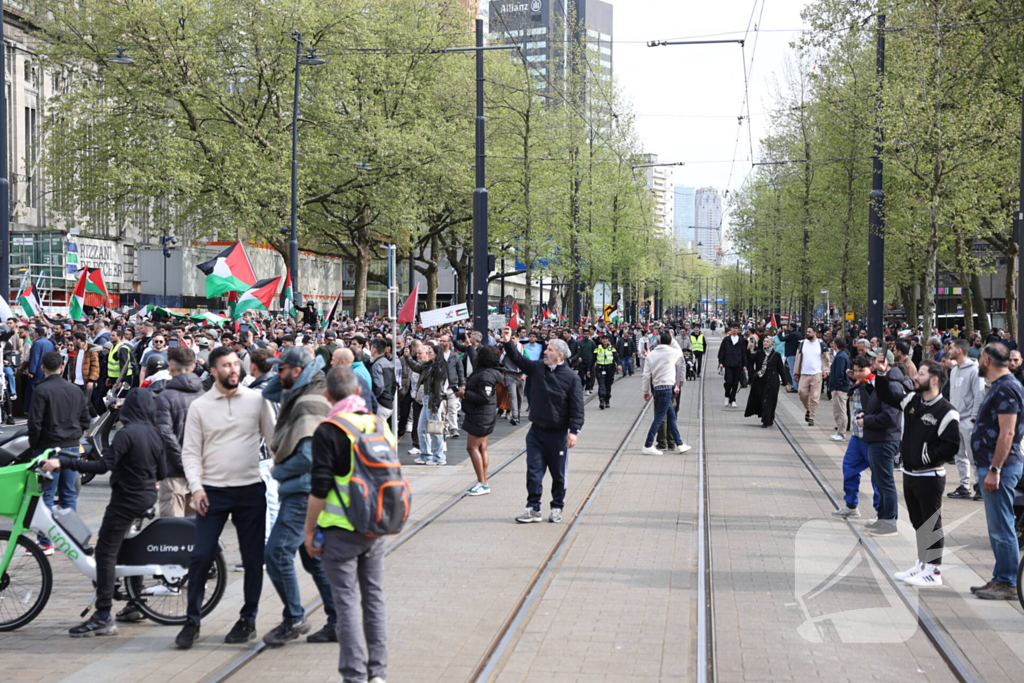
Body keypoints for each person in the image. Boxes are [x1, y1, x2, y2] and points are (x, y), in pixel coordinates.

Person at [176, 346, 276, 649]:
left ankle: (248, 618)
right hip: (212, 492)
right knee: (200, 556)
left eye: (236, 364)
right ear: (214, 370)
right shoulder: (200, 406)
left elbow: (274, 443)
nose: (233, 369)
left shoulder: (258, 401)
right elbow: (190, 452)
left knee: (252, 558)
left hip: (250, 491)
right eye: (226, 365)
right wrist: (196, 486)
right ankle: (191, 621)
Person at [41, 389, 165, 637]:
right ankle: (135, 604)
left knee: (105, 552)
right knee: (130, 550)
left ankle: (103, 615)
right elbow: (161, 473)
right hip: (146, 498)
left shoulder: (126, 434)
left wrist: (63, 461)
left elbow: (100, 466)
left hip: (125, 501)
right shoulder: (154, 433)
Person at [304, 365, 391, 683]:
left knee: (346, 602)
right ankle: (378, 672)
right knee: (374, 596)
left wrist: (309, 529)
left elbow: (320, 487)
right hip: (377, 524)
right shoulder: (379, 424)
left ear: (327, 395)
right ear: (358, 392)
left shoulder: (329, 430)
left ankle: (354, 675)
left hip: (340, 530)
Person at [259, 347, 338, 646]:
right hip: (310, 490)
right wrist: (285, 374)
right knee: (313, 559)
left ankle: (294, 618)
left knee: (276, 553)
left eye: (281, 369)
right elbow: (269, 392)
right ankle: (338, 621)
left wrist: (277, 472)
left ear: (296, 370)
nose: (275, 375)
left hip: (302, 491)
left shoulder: (306, 403)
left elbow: (308, 456)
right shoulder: (308, 389)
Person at [873, 358, 960, 586]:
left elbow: (951, 446)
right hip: (910, 474)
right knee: (918, 522)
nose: (915, 377)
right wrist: (881, 375)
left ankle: (934, 572)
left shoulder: (947, 412)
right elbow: (887, 396)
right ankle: (922, 564)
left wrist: (926, 456)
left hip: (929, 476)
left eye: (920, 374)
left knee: (931, 523)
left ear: (933, 380)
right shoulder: (913, 400)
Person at [499, 327, 584, 524]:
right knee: (534, 471)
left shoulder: (571, 378)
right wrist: (507, 342)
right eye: (546, 350)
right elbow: (519, 360)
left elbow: (578, 408)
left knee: (558, 474)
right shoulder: (537, 368)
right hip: (536, 432)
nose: (545, 352)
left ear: (559, 355)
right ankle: (533, 508)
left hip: (559, 434)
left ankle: (556, 507)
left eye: (550, 350)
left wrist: (573, 432)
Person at [968, 343, 1024, 600]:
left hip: (1000, 466)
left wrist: (994, 469)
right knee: (997, 527)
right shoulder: (1002, 387)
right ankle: (1000, 577)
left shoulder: (1007, 388)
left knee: (1002, 527)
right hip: (994, 465)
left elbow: (1008, 432)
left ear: (987, 360)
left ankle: (1007, 582)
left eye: (980, 358)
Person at [27, 351, 92, 553]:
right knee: (68, 493)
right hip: (71, 446)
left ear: (42, 368)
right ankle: (70, 538)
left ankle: (46, 542)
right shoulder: (74, 390)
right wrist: (75, 435)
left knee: (46, 493)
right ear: (62, 368)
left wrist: (35, 447)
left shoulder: (41, 390)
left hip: (48, 447)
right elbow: (85, 419)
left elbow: (34, 423)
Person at [854, 353, 905, 537]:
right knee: (880, 480)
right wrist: (866, 416)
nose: (872, 363)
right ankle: (883, 518)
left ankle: (890, 522)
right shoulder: (883, 381)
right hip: (878, 438)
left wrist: (866, 421)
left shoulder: (891, 383)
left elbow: (890, 417)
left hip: (884, 439)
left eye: (876, 360)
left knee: (885, 481)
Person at [153, 346, 203, 518]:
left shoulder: (165, 397)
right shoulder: (204, 395)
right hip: (199, 471)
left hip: (174, 472)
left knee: (172, 535)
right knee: (195, 534)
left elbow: (165, 435)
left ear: (171, 367)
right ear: (193, 367)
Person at [832, 355, 881, 520]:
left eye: (862, 370)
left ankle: (881, 512)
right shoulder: (859, 384)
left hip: (873, 438)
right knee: (849, 469)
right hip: (857, 436)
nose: (859, 374)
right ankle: (851, 506)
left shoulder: (877, 385)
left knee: (878, 476)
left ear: (871, 369)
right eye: (856, 371)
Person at [461, 345, 505, 495]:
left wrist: (464, 394)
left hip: (480, 415)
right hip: (486, 414)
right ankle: (483, 481)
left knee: (472, 448)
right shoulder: (491, 372)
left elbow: (484, 397)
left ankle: (482, 483)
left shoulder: (486, 375)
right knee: (482, 448)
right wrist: (468, 345)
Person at [946, 338, 985, 501]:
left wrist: (974, 418)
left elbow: (979, 395)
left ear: (960, 350)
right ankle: (964, 486)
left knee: (973, 455)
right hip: (956, 418)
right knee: (959, 455)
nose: (948, 349)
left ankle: (981, 487)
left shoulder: (975, 371)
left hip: (969, 419)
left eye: (952, 347)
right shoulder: (954, 370)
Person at [641, 332, 691, 455]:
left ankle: (679, 443)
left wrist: (645, 391)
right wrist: (672, 338)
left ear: (658, 342)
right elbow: (680, 351)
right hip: (667, 388)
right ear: (670, 343)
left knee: (671, 415)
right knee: (659, 417)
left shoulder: (651, 355)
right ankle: (648, 445)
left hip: (657, 388)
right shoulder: (673, 353)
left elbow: (646, 375)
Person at [409, 342, 448, 466]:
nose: (428, 353)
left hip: (432, 400)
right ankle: (426, 456)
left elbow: (438, 390)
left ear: (436, 354)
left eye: (430, 352)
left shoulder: (439, 368)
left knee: (435, 430)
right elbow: (417, 368)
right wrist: (407, 357)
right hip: (428, 399)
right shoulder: (429, 366)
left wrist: (435, 406)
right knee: (422, 429)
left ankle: (439, 458)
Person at [744, 335, 793, 428]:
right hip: (760, 380)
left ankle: (766, 421)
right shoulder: (759, 353)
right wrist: (748, 349)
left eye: (767, 341)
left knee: (770, 400)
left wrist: (785, 383)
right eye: (764, 341)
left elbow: (781, 370)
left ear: (771, 343)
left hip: (772, 380)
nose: (765, 343)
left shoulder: (776, 355)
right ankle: (768, 418)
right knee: (762, 399)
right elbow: (750, 359)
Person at [793, 327, 829, 427]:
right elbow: (797, 358)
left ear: (815, 333)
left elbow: (826, 359)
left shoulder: (821, 344)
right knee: (802, 393)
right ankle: (809, 409)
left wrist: (826, 371)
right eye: (807, 332)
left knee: (815, 396)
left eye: (809, 332)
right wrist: (796, 372)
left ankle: (812, 417)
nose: (807, 333)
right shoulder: (802, 343)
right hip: (804, 373)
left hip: (816, 374)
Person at [24, 326, 56, 409]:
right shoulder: (50, 342)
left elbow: (35, 357)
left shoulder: (37, 343)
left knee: (34, 390)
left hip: (38, 370)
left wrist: (32, 371)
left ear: (37, 334)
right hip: (48, 370)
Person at [827, 337, 851, 441]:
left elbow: (839, 372)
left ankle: (841, 433)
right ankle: (840, 432)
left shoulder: (840, 357)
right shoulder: (843, 355)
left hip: (840, 388)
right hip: (841, 387)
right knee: (839, 410)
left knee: (840, 411)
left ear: (835, 345)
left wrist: (837, 386)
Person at [717, 322, 745, 407]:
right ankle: (727, 396)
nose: (734, 329)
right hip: (728, 364)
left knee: (735, 383)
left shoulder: (741, 340)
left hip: (738, 364)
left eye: (736, 328)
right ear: (730, 329)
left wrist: (745, 364)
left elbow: (744, 353)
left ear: (738, 329)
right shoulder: (726, 340)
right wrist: (721, 362)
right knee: (728, 381)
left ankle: (733, 399)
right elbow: (721, 352)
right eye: (733, 328)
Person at [501, 334, 526, 425]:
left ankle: (518, 415)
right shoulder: (505, 351)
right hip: (510, 375)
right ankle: (514, 416)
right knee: (513, 396)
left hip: (520, 375)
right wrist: (503, 378)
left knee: (520, 397)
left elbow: (528, 363)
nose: (511, 340)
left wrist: (525, 374)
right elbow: (502, 365)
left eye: (513, 338)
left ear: (517, 339)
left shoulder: (522, 349)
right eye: (510, 339)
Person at [368, 338, 395, 423]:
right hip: (388, 403)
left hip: (381, 404)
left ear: (374, 350)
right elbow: (395, 384)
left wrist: (373, 399)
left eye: (371, 348)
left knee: (378, 433)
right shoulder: (389, 363)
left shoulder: (377, 365)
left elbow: (379, 386)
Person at [594, 334, 618, 410]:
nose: (605, 340)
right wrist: (589, 369)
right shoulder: (598, 348)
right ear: (601, 340)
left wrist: (619, 364)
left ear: (608, 340)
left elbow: (616, 357)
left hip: (609, 369)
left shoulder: (612, 348)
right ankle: (601, 399)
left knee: (608, 385)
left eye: (606, 339)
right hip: (600, 369)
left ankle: (607, 399)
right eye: (603, 339)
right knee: (601, 385)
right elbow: (593, 359)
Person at [782, 323, 803, 393]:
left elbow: (782, 339)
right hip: (797, 354)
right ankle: (798, 385)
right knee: (797, 370)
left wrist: (779, 332)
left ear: (791, 327)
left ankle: (795, 386)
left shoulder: (792, 335)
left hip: (791, 354)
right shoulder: (799, 334)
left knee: (793, 371)